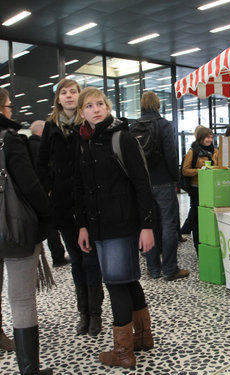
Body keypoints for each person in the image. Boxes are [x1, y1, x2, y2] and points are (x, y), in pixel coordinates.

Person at [75, 87, 155, 369]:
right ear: (81, 112)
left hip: (120, 224)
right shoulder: (85, 140)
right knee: (129, 280)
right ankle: (143, 337)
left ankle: (122, 352)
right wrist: (83, 226)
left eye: (100, 104)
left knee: (116, 284)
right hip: (98, 226)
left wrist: (147, 226)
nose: (96, 109)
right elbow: (84, 189)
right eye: (89, 106)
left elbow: (142, 183)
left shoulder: (121, 137)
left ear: (107, 107)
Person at [36, 79, 104, 336]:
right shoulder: (51, 127)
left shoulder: (87, 125)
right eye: (63, 92)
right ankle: (83, 312)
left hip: (88, 202)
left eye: (72, 91)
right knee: (76, 259)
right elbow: (41, 164)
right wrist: (49, 190)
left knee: (91, 259)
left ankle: (96, 313)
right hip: (63, 204)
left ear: (79, 96)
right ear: (58, 99)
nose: (68, 96)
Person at [0, 87, 52, 374]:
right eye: (8, 106)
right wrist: (47, 216)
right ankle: (29, 369)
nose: (11, 111)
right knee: (20, 299)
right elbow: (30, 185)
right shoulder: (10, 140)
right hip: (15, 229)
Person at [138, 91, 189, 281]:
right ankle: (170, 269)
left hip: (143, 182)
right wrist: (175, 178)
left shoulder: (134, 126)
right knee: (169, 225)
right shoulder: (164, 125)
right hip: (163, 181)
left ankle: (153, 269)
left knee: (148, 225)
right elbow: (170, 154)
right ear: (158, 104)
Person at [29, 120, 69, 268]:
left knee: (50, 225)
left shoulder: (27, 146)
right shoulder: (43, 147)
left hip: (36, 192)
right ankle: (58, 255)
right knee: (53, 225)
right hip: (49, 191)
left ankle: (57, 255)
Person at [182, 127, 218, 252]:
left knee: (208, 216)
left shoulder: (214, 151)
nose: (210, 140)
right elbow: (185, 171)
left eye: (211, 137)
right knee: (197, 217)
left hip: (210, 188)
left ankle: (207, 241)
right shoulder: (193, 151)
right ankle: (198, 245)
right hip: (196, 189)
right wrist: (200, 171)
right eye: (207, 137)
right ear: (201, 138)